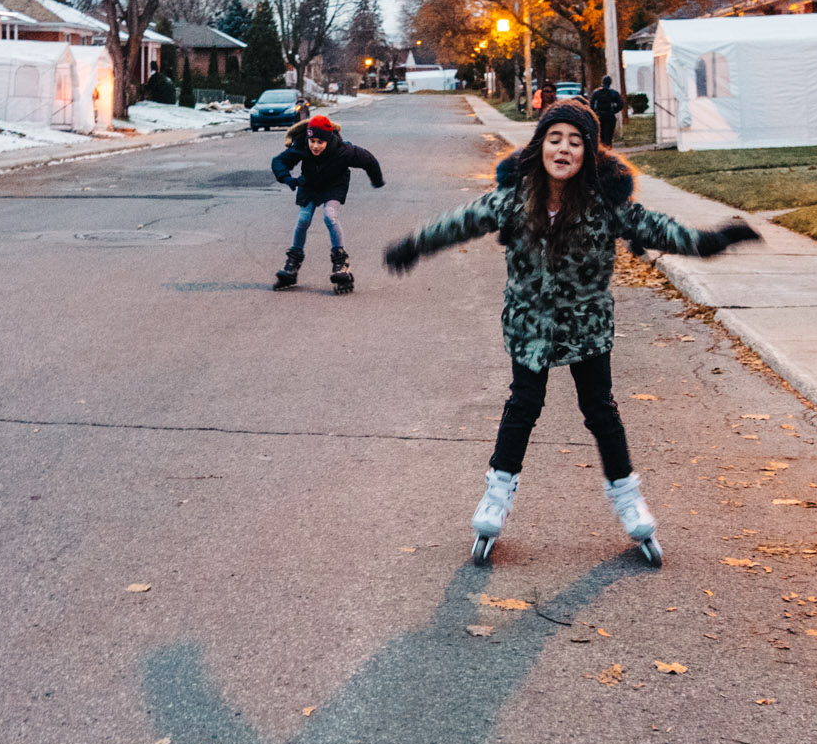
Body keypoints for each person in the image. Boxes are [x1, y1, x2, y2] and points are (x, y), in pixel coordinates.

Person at [381, 99, 760, 566]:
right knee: (523, 406)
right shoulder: (514, 198)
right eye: (554, 139)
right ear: (540, 146)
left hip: (586, 327)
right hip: (530, 326)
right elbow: (461, 221)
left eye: (575, 142)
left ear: (589, 154)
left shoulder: (606, 205)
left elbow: (660, 229)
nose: (563, 149)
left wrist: (712, 240)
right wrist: (416, 245)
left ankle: (629, 501)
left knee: (600, 410)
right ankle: (495, 499)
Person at [271, 114, 384, 294]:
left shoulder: (343, 150)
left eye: (320, 142)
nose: (315, 146)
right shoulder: (301, 145)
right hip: (309, 185)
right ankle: (292, 263)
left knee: (330, 216)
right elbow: (279, 161)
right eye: (312, 140)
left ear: (328, 140)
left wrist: (377, 180)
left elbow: (368, 160)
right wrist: (287, 178)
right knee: (303, 219)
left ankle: (341, 262)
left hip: (334, 185)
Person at [589, 75, 624, 148]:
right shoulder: (614, 93)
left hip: (599, 117)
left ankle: (601, 150)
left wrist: (595, 113)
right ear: (610, 83)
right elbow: (620, 105)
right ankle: (608, 148)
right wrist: (614, 110)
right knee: (609, 136)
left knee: (600, 136)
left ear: (602, 82)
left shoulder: (596, 93)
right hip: (610, 117)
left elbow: (591, 105)